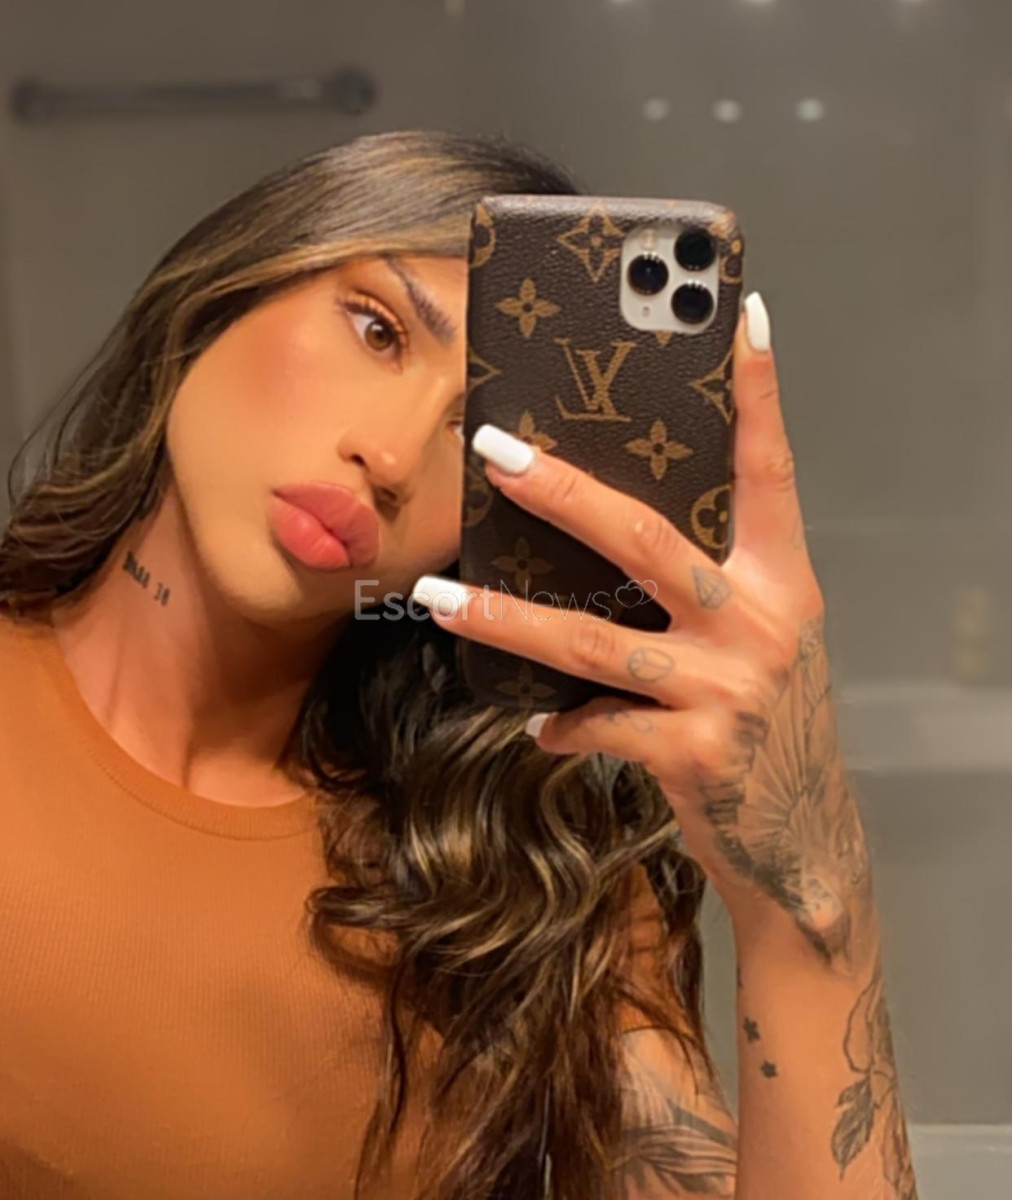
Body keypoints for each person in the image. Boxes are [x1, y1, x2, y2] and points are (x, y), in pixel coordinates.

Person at [0, 129, 918, 1200]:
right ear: (223, 292)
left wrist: (810, 903)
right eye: (376, 329)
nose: (389, 457)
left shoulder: (518, 876)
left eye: (476, 434)